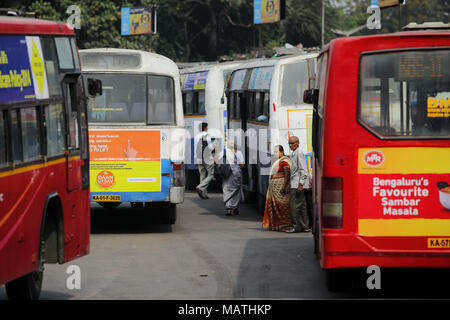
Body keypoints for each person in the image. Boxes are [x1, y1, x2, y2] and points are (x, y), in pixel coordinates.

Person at [262, 145, 292, 231]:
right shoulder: (278, 161)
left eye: (276, 152)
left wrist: (283, 186)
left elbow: (287, 175)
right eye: (274, 152)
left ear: (281, 152)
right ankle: (278, 224)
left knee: (283, 207)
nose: (274, 153)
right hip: (275, 190)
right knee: (278, 207)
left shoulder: (285, 161)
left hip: (281, 189)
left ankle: (286, 224)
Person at [285, 136, 311, 233]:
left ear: (297, 143)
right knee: (302, 206)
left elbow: (303, 170)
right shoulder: (294, 154)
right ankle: (305, 226)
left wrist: (301, 184)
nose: (290, 145)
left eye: (292, 143)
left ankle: (296, 227)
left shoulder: (299, 153)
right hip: (296, 184)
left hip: (297, 185)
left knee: (294, 207)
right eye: (289, 143)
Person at [219, 141, 244, 216]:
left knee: (227, 190)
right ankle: (236, 208)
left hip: (226, 174)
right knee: (236, 191)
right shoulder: (239, 153)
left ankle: (228, 209)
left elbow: (217, 161)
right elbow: (242, 164)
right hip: (236, 174)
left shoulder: (223, 152)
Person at [195, 122, 215, 199]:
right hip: (207, 158)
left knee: (202, 175)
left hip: (199, 158)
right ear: (205, 128)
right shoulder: (207, 135)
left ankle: (203, 194)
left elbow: (195, 149)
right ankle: (200, 187)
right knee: (211, 175)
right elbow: (210, 147)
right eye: (207, 127)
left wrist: (196, 159)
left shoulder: (197, 136)